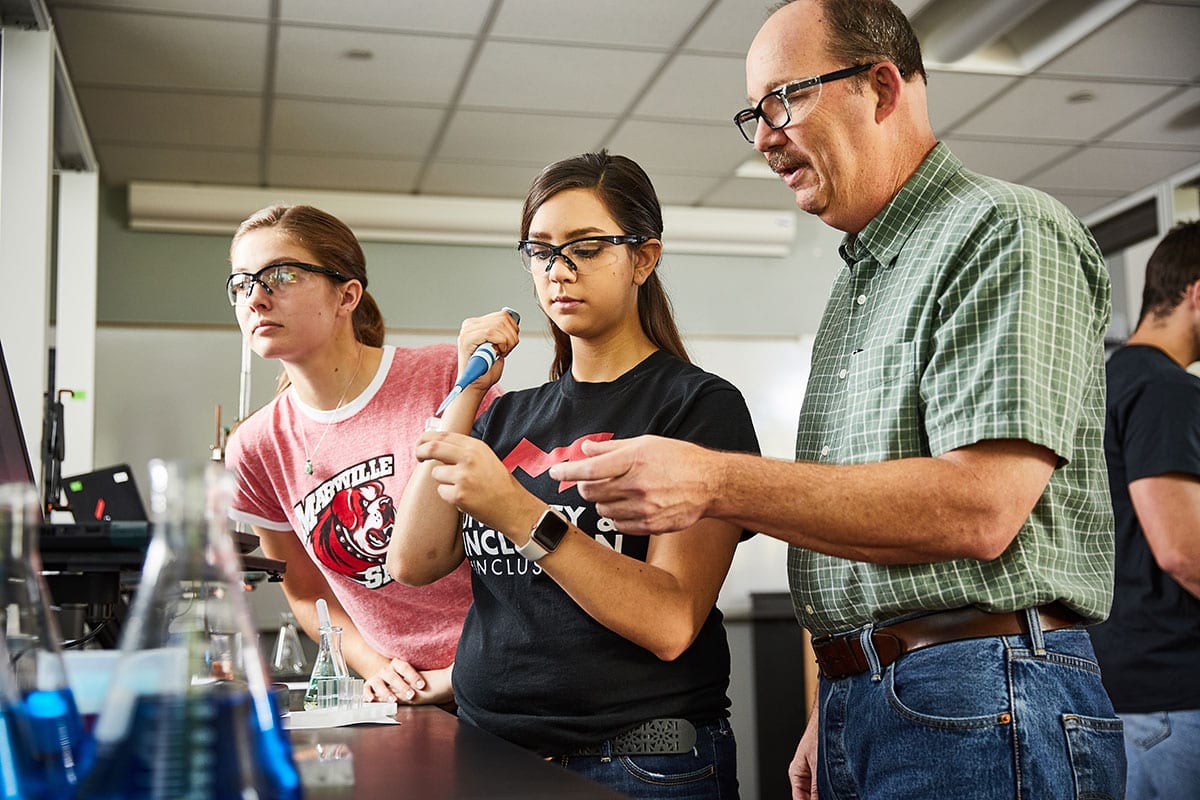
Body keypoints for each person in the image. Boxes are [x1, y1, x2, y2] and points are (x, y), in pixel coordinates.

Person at [549, 2, 1126, 798]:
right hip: (877, 696)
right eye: (753, 113)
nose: (762, 136)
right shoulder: (860, 282)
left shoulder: (1002, 229)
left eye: (784, 99)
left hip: (982, 692)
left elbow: (982, 508)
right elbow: (858, 533)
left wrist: (715, 482)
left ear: (881, 86)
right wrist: (838, 695)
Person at [386, 151, 759, 799]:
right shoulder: (508, 420)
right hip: (491, 754)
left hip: (638, 762)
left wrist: (518, 510)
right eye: (541, 251)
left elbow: (670, 622)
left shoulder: (696, 406)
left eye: (587, 247)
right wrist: (467, 386)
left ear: (644, 258)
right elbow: (412, 560)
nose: (560, 270)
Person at [223, 204, 498, 706]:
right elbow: (305, 590)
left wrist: (469, 673)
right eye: (242, 283)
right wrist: (378, 667)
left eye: (280, 275)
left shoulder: (444, 377)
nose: (256, 299)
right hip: (403, 699)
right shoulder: (256, 445)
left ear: (347, 295)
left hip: (504, 677)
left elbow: (522, 535)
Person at [1089, 220, 1200, 800]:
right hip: (1173, 700)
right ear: (1197, 293)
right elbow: (1183, 550)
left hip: (1120, 688)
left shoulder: (1104, 385)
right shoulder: (1167, 390)